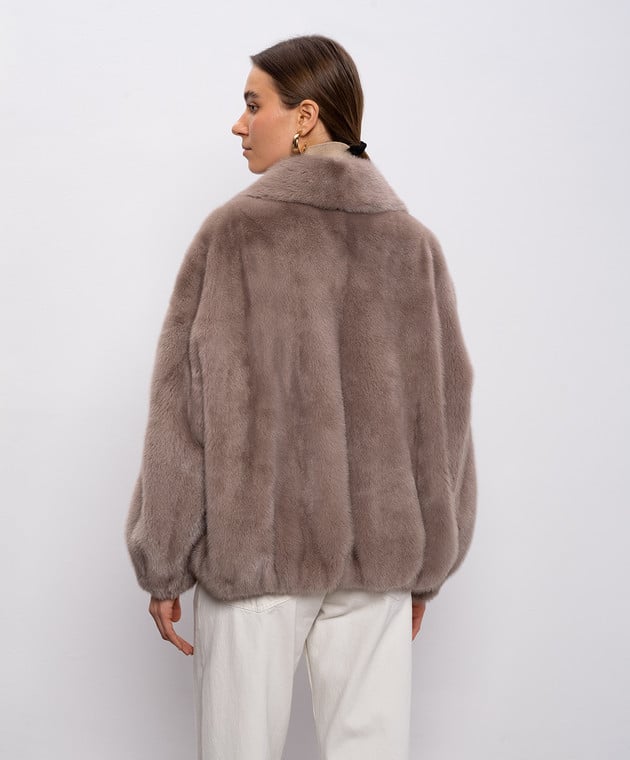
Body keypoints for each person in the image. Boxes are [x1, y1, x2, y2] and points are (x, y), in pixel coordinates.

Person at [125, 34, 477, 760]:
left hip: (256, 557)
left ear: (306, 116)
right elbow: (446, 414)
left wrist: (163, 560)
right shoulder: (412, 244)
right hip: (379, 565)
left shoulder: (234, 235)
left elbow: (183, 410)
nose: (239, 123)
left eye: (254, 105)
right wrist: (426, 570)